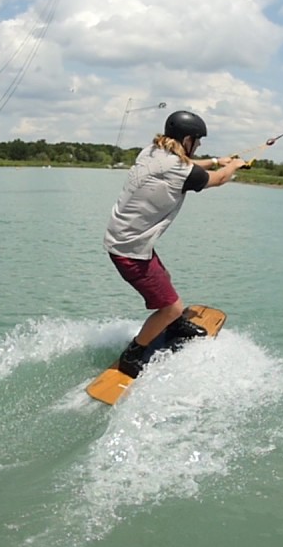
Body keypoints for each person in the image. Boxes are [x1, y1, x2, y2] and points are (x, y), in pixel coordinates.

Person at [103, 110, 246, 377]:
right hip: (130, 250)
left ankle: (174, 325)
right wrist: (233, 166)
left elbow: (187, 164)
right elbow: (218, 179)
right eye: (198, 140)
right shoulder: (178, 169)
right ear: (187, 139)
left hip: (127, 240)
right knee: (172, 307)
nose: (199, 145)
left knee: (164, 278)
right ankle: (133, 353)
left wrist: (217, 160)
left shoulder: (151, 152)